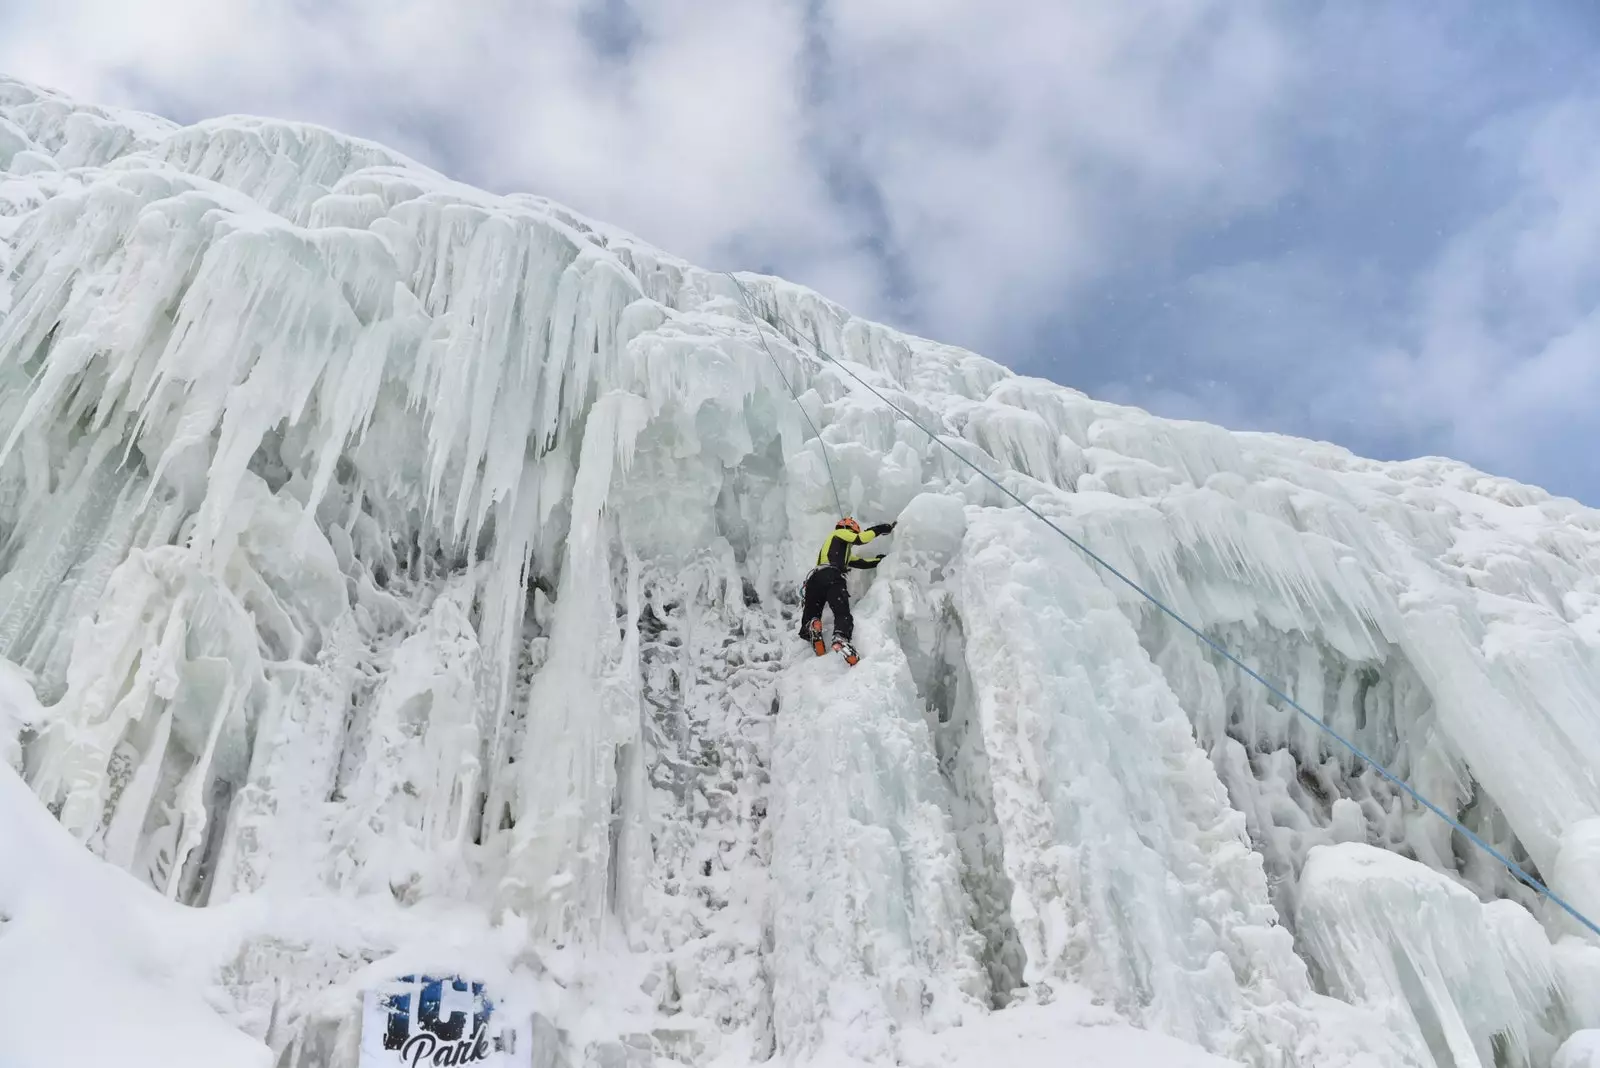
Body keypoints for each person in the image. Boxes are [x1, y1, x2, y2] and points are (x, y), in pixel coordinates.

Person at [799, 516, 896, 664]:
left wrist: (880, 560)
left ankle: (812, 627)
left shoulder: (840, 552)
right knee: (841, 612)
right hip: (832, 576)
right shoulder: (839, 533)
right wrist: (882, 528)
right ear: (848, 529)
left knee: (811, 612)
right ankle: (840, 637)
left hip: (814, 579)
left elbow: (862, 563)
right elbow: (860, 539)